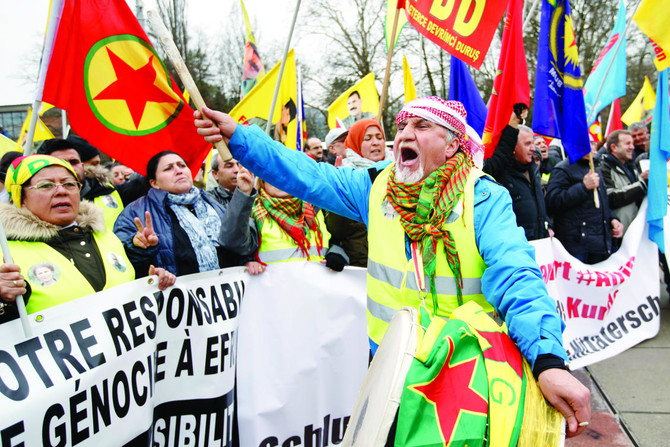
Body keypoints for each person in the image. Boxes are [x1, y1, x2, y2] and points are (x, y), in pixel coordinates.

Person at [195, 96, 591, 437]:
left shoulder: (483, 197)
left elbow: (517, 276)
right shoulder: (375, 187)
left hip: (466, 373)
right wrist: (240, 137)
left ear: (453, 145)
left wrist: (548, 361)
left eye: (421, 125)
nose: (403, 134)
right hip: (390, 370)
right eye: (402, 125)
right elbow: (306, 175)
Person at [0, 155, 175, 321]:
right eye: (46, 185)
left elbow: (127, 285)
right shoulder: (5, 252)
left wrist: (150, 281)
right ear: (20, 198)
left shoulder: (105, 235)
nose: (61, 191)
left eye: (69, 184)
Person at [114, 151, 258, 276]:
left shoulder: (213, 202)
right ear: (154, 183)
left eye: (182, 165)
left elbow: (235, 244)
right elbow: (120, 263)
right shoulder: (136, 212)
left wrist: (246, 261)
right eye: (168, 169)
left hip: (224, 297)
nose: (179, 171)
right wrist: (138, 248)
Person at [245, 179, 347, 275]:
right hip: (276, 290)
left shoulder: (315, 208)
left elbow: (337, 240)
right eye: (272, 176)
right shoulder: (252, 211)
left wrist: (336, 254)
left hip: (315, 289)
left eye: (287, 175)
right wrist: (247, 262)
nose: (280, 180)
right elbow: (237, 245)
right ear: (262, 181)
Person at [326, 119, 389, 267]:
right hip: (359, 265)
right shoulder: (346, 175)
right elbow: (336, 230)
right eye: (367, 139)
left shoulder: (401, 170)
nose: (375, 143)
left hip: (394, 264)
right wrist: (339, 192)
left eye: (379, 137)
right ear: (355, 143)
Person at [545, 148, 624, 264]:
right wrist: (583, 187)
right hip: (577, 245)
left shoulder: (595, 168)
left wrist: (612, 218)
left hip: (599, 242)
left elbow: (602, 201)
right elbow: (553, 202)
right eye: (587, 143)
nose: (590, 147)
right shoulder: (562, 169)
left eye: (593, 143)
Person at [483, 112, 552, 241]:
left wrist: (548, 225)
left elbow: (539, 203)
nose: (533, 148)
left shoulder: (533, 169)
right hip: (516, 247)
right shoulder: (500, 173)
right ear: (512, 147)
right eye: (527, 144)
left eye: (532, 143)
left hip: (540, 243)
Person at [38, 137, 124, 229]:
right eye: (60, 163)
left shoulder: (107, 189)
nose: (70, 167)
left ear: (82, 166)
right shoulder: (34, 205)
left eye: (73, 162)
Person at [600, 130, 648, 235]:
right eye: (627, 144)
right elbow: (611, 197)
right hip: (620, 232)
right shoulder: (604, 168)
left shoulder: (631, 166)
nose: (632, 147)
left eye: (632, 143)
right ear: (614, 147)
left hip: (637, 230)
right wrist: (643, 184)